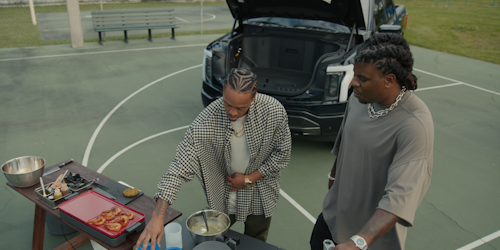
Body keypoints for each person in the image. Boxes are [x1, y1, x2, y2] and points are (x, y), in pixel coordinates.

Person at [136, 68, 292, 250]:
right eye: (227, 103)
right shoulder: (205, 122)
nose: (233, 113)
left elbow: (282, 154)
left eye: (241, 108)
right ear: (223, 89)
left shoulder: (274, 111)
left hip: (260, 194)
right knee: (212, 243)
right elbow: (178, 169)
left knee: (256, 243)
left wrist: (249, 179)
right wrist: (157, 217)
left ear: (253, 97)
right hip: (223, 197)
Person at [310, 33, 434, 250]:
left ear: (389, 80)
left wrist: (358, 242)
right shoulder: (359, 100)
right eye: (355, 75)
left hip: (371, 240)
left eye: (363, 78)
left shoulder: (415, 125)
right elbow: (344, 145)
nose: (353, 83)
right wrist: (333, 180)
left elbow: (399, 198)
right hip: (333, 218)